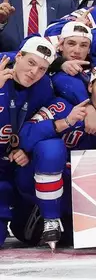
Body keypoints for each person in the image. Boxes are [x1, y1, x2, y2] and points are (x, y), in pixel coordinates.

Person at [15, 65, 96, 249]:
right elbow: (24, 135)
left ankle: (57, 218)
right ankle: (50, 218)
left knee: (73, 238)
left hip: (72, 195)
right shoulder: (61, 106)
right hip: (32, 181)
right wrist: (67, 122)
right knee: (52, 148)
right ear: (90, 87)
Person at [0, 37, 57, 247]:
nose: (34, 72)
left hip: (9, 167)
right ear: (19, 56)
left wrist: (27, 148)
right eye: (31, 63)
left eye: (42, 69)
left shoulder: (43, 87)